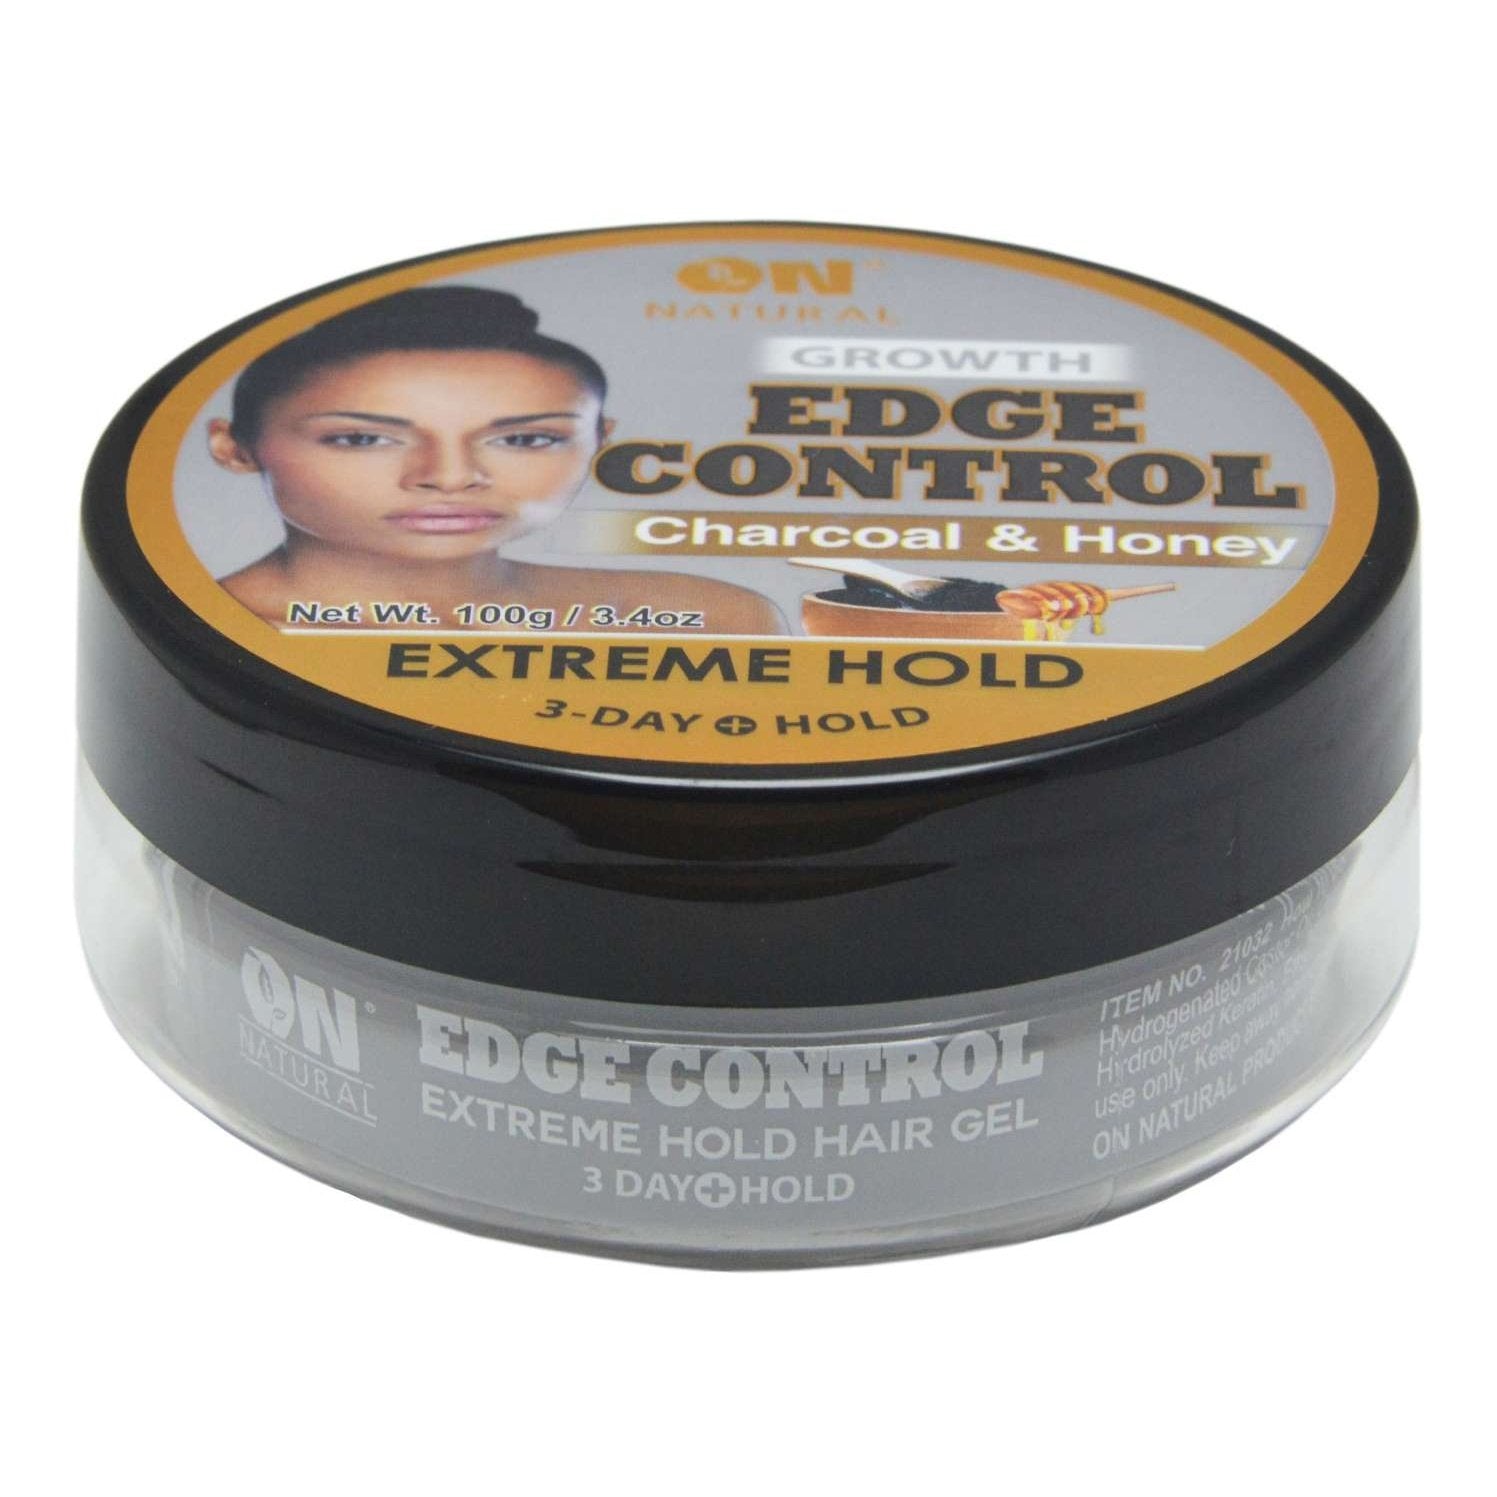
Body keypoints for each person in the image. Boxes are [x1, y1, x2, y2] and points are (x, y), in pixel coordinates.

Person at [206, 286, 784, 633]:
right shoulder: (221, 635)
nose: (450, 477)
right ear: (234, 448)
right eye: (362, 439)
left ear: (600, 441)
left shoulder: (716, 618)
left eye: (526, 439)